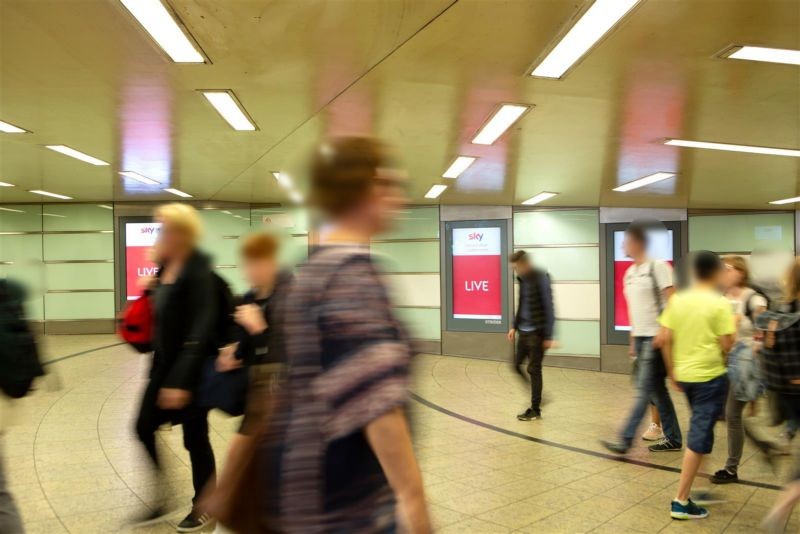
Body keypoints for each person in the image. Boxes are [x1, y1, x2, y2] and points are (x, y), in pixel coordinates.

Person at [270, 137, 430, 532]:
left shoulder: (310, 268)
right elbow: (376, 405)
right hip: (348, 504)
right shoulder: (352, 274)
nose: (400, 199)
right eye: (392, 185)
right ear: (367, 188)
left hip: (305, 486)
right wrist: (412, 497)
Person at [133, 203, 218, 532]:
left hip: (191, 372)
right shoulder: (164, 270)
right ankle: (162, 495)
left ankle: (205, 505)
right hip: (162, 369)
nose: (160, 233)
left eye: (165, 227)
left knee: (195, 439)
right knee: (142, 427)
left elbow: (200, 329)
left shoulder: (199, 273)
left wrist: (180, 382)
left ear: (183, 232)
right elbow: (160, 326)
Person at [201, 232, 291, 533]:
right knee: (243, 459)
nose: (249, 271)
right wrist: (233, 353)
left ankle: (228, 513)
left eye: (255, 263)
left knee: (248, 460)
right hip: (258, 392)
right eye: (246, 264)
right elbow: (244, 344)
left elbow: (291, 351)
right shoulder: (250, 297)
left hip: (282, 395)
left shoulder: (292, 296)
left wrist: (260, 331)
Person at [659, 251, 735, 520]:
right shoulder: (720, 304)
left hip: (686, 376)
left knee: (703, 431)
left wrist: (672, 372)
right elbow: (727, 344)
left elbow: (665, 338)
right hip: (711, 377)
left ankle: (698, 489)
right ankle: (681, 500)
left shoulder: (677, 300)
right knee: (699, 436)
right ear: (714, 273)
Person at [601, 224, 682, 454]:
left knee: (644, 388)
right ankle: (674, 439)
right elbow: (634, 309)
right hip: (642, 337)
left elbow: (672, 301)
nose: (623, 246)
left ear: (638, 243)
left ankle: (625, 440)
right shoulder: (630, 273)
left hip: (657, 338)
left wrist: (665, 329)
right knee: (657, 390)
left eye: (626, 241)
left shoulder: (658, 267)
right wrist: (632, 339)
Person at [710, 256, 767, 484]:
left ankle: (731, 468)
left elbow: (764, 336)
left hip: (744, 364)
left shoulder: (754, 300)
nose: (723, 273)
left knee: (732, 414)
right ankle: (765, 446)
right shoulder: (722, 298)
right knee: (728, 414)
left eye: (727, 268)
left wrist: (748, 342)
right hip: (725, 362)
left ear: (740, 272)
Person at [508, 250, 555, 421]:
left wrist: (549, 335)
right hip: (524, 331)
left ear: (524, 264)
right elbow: (521, 304)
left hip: (537, 333)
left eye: (516, 267)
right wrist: (514, 326)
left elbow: (549, 307)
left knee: (534, 369)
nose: (515, 271)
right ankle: (537, 394)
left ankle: (535, 408)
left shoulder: (541, 278)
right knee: (515, 365)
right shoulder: (523, 280)